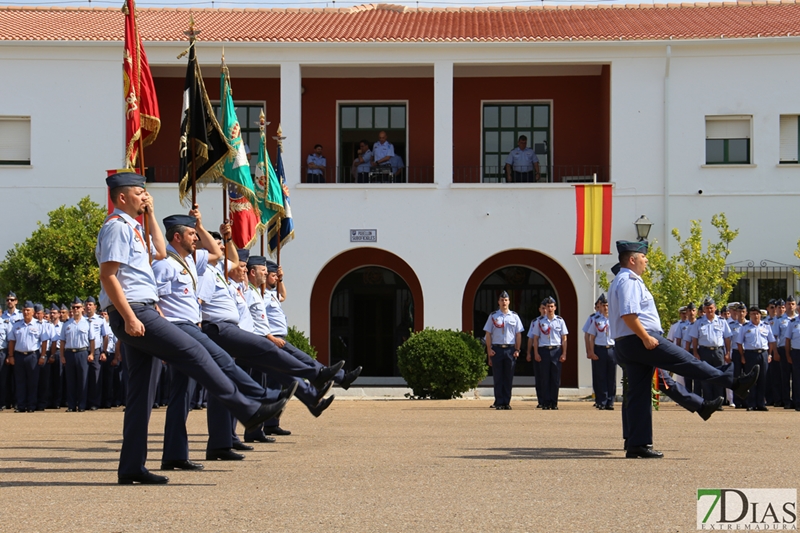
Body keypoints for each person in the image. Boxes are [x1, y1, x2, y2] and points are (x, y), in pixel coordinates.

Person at [97, 171, 288, 485]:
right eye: (139, 193)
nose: (144, 197)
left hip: (140, 310)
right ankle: (248, 408)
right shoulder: (116, 228)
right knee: (196, 353)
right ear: (122, 198)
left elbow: (159, 251)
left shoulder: (134, 228)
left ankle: (131, 466)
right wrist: (130, 317)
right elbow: (108, 275)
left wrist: (152, 213)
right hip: (135, 313)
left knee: (140, 395)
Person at [152, 212, 294, 468]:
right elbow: (156, 304)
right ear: (176, 236)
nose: (196, 238)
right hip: (177, 332)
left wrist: (202, 226)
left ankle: (175, 455)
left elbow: (222, 257)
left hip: (189, 330)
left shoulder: (189, 263)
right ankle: (260, 400)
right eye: (191, 233)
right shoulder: (165, 265)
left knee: (182, 396)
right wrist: (162, 338)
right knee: (217, 369)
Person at [608, 240, 759, 459]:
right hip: (639, 340)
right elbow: (629, 315)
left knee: (639, 394)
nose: (646, 260)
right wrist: (646, 338)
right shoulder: (629, 280)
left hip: (627, 342)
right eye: (643, 257)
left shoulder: (621, 280)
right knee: (686, 361)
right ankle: (734, 382)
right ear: (632, 260)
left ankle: (637, 444)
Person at [688, 297, 732, 406]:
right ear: (704, 309)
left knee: (719, 376)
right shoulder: (699, 322)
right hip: (704, 351)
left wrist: (727, 352)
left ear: (715, 308)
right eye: (707, 308)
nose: (709, 310)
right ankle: (709, 402)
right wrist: (695, 353)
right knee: (705, 377)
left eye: (711, 308)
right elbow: (694, 338)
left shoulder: (722, 321)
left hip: (718, 352)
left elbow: (727, 338)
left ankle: (718, 402)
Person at [7, 300, 49, 412]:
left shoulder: (38, 325)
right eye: (24, 310)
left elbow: (44, 342)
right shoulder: (17, 325)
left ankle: (31, 405)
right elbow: (12, 341)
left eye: (28, 310)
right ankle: (21, 405)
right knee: (20, 382)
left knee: (33, 382)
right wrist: (11, 356)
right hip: (19, 356)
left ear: (33, 312)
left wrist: (43, 356)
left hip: (33, 356)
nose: (26, 312)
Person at [484, 291, 523, 410]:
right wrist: (489, 350)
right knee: (498, 377)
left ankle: (506, 402)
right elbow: (488, 334)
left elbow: (518, 334)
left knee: (508, 377)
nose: (504, 302)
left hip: (510, 349)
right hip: (497, 349)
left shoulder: (514, 316)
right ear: (498, 302)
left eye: (506, 300)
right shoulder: (493, 316)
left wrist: (517, 349)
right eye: (502, 300)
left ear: (509, 301)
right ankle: (499, 401)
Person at [528, 296, 568, 410]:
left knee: (555, 378)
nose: (549, 309)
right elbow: (535, 338)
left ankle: (554, 402)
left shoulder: (560, 321)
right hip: (544, 350)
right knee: (544, 377)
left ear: (555, 307)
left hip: (556, 350)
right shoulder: (539, 322)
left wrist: (564, 353)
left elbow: (564, 338)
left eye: (551, 306)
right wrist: (535, 353)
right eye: (548, 306)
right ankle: (545, 402)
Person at [735, 304, 775, 411]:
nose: (755, 316)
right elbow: (739, 343)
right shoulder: (745, 327)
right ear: (749, 315)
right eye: (752, 314)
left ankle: (761, 403)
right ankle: (751, 403)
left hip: (763, 354)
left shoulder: (766, 326)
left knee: (763, 379)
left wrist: (770, 354)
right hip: (750, 354)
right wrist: (742, 356)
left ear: (760, 315)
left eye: (757, 314)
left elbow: (771, 341)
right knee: (751, 379)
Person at [59, 297, 94, 412]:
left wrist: (92, 353)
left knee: (83, 380)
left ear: (82, 308)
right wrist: (62, 356)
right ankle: (71, 405)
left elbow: (92, 340)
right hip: (70, 353)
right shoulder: (67, 324)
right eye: (74, 307)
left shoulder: (87, 323)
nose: (76, 309)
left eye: (78, 307)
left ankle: (82, 405)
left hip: (82, 353)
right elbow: (62, 341)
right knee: (71, 381)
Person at [585, 294, 616, 410]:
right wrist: (591, 352)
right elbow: (591, 337)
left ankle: (610, 401)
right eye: (603, 305)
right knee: (601, 376)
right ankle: (602, 400)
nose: (606, 307)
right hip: (600, 349)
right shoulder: (596, 320)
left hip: (612, 349)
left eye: (607, 305)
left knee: (611, 377)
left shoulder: (615, 319)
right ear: (600, 307)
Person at [85, 296, 108, 410]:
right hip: (84, 351)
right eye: (87, 304)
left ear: (95, 306)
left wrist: (104, 351)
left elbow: (105, 336)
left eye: (90, 304)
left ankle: (95, 402)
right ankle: (84, 402)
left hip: (97, 351)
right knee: (84, 377)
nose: (88, 307)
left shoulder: (100, 320)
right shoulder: (82, 319)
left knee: (96, 377)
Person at [773, 295, 795, 409]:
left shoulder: (797, 319)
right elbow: (774, 337)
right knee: (784, 376)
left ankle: (796, 399)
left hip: (796, 350)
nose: (790, 306)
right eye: (788, 304)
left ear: (795, 306)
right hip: (782, 349)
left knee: (796, 377)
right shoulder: (779, 320)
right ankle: (786, 400)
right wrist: (775, 352)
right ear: (785, 306)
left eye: (792, 304)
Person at [1, 291, 23, 409]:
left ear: (16, 301)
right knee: (5, 377)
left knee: (18, 377)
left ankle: (17, 400)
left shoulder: (21, 315)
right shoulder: (2, 316)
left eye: (12, 299)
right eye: (8, 299)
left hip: (18, 349)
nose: (9, 302)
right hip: (5, 350)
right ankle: (5, 401)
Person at [582, 297, 602, 408]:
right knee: (597, 375)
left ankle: (606, 399)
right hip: (595, 348)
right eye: (598, 306)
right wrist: (589, 350)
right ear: (595, 307)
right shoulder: (593, 318)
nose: (600, 308)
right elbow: (587, 335)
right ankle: (599, 398)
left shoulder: (611, 317)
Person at [785, 310, 800, 411]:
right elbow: (787, 340)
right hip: (796, 352)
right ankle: (798, 402)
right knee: (797, 378)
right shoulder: (792, 322)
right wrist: (788, 355)